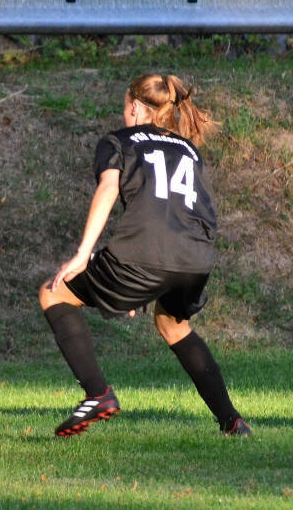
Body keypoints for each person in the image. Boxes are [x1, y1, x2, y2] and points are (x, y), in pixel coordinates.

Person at [38, 73, 252, 438]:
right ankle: (232, 421)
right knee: (173, 325)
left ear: (136, 107)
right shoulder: (188, 149)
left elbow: (108, 189)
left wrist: (82, 254)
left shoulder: (118, 141)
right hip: (195, 258)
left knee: (53, 292)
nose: (123, 114)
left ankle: (98, 395)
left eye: (125, 106)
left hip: (146, 254)